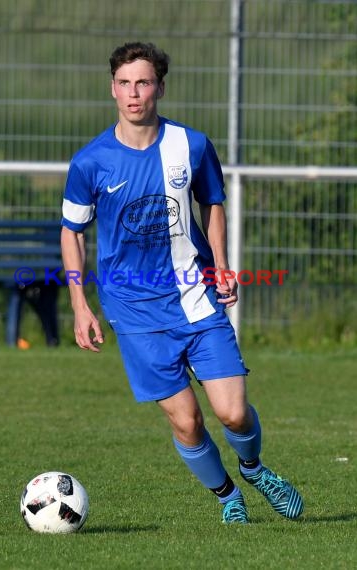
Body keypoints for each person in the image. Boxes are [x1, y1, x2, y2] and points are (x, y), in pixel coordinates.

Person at [61, 42, 304, 524]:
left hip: (195, 296)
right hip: (133, 311)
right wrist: (79, 304)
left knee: (233, 413)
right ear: (112, 89)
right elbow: (72, 232)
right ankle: (227, 494)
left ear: (160, 88)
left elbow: (212, 203)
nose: (135, 94)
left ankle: (254, 468)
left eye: (144, 82)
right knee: (188, 421)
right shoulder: (90, 162)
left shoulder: (190, 144)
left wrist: (221, 263)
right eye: (125, 83)